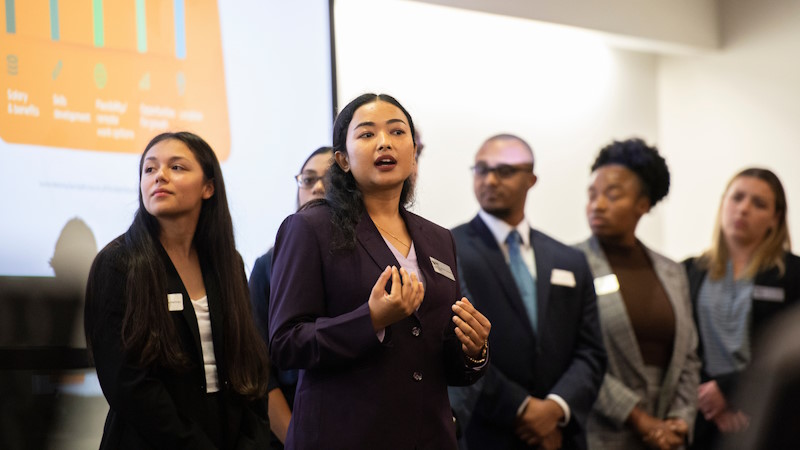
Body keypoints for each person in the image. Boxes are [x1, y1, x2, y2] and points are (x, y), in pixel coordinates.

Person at [268, 93, 491, 450]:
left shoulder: (438, 239)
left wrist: (474, 349)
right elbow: (285, 344)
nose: (384, 142)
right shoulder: (310, 228)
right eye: (367, 134)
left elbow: (439, 357)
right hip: (343, 437)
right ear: (342, 159)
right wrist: (369, 320)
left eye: (397, 132)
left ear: (413, 152)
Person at [84, 131, 271, 449]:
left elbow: (247, 363)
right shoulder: (118, 264)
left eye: (177, 167)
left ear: (208, 187)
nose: (160, 177)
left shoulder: (227, 263)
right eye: (150, 169)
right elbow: (127, 383)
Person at [449, 134, 606, 450]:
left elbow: (591, 352)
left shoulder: (569, 259)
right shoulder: (447, 249)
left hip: (562, 435)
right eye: (481, 170)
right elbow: (453, 346)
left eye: (505, 171)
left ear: (531, 179)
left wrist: (556, 408)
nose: (490, 180)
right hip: (488, 433)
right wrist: (522, 408)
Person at [574, 138, 700, 449]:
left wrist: (681, 420)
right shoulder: (569, 264)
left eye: (612, 195)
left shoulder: (672, 271)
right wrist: (640, 420)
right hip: (601, 431)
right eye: (592, 195)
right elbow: (573, 356)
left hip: (668, 435)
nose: (598, 204)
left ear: (643, 204)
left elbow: (689, 357)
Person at [684, 168, 800, 449]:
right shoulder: (689, 271)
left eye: (758, 204)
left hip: (767, 413)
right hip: (701, 415)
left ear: (775, 218)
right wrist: (711, 399)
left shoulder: (794, 274)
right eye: (737, 198)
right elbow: (681, 346)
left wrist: (729, 390)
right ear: (724, 203)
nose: (744, 208)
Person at [248, 146, 333, 448]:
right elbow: (259, 372)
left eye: (330, 178)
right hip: (291, 429)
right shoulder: (267, 266)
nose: (318, 187)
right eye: (308, 180)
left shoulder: (372, 260)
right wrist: (295, 441)